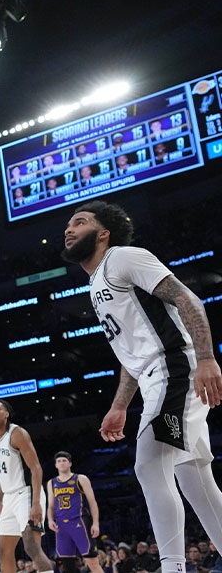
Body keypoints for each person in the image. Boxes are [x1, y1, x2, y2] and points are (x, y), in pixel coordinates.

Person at [62, 200, 222, 573]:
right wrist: (120, 405)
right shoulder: (95, 282)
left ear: (103, 233)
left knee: (150, 464)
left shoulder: (123, 257)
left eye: (79, 222)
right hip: (155, 377)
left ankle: (172, 567)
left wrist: (206, 359)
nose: (69, 230)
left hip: (175, 369)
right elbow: (131, 353)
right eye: (67, 225)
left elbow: (186, 298)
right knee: (193, 476)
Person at [0, 400, 56, 573]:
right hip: (9, 497)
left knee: (31, 546)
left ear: (6, 414)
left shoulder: (17, 433)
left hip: (27, 493)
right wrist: (0, 499)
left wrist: (36, 503)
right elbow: (4, 472)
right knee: (3, 551)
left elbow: (36, 468)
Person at [47, 451, 104, 573]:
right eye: (59, 461)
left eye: (64, 461)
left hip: (80, 522)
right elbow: (51, 506)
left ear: (70, 463)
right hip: (61, 526)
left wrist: (95, 523)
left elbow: (92, 502)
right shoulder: (51, 483)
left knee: (92, 561)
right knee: (67, 565)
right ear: (55, 465)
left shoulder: (80, 478)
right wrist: (50, 520)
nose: (62, 463)